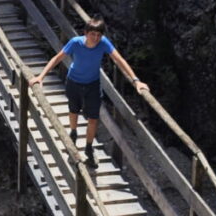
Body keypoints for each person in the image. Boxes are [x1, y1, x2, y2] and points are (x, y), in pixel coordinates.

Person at [28, 16, 148, 166]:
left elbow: (119, 60)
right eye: (93, 34)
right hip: (74, 82)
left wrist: (136, 81)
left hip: (92, 84)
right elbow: (57, 58)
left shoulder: (103, 43)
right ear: (85, 33)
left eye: (99, 35)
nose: (96, 38)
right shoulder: (75, 43)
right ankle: (73, 132)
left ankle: (89, 148)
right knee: (73, 111)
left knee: (93, 118)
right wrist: (41, 76)